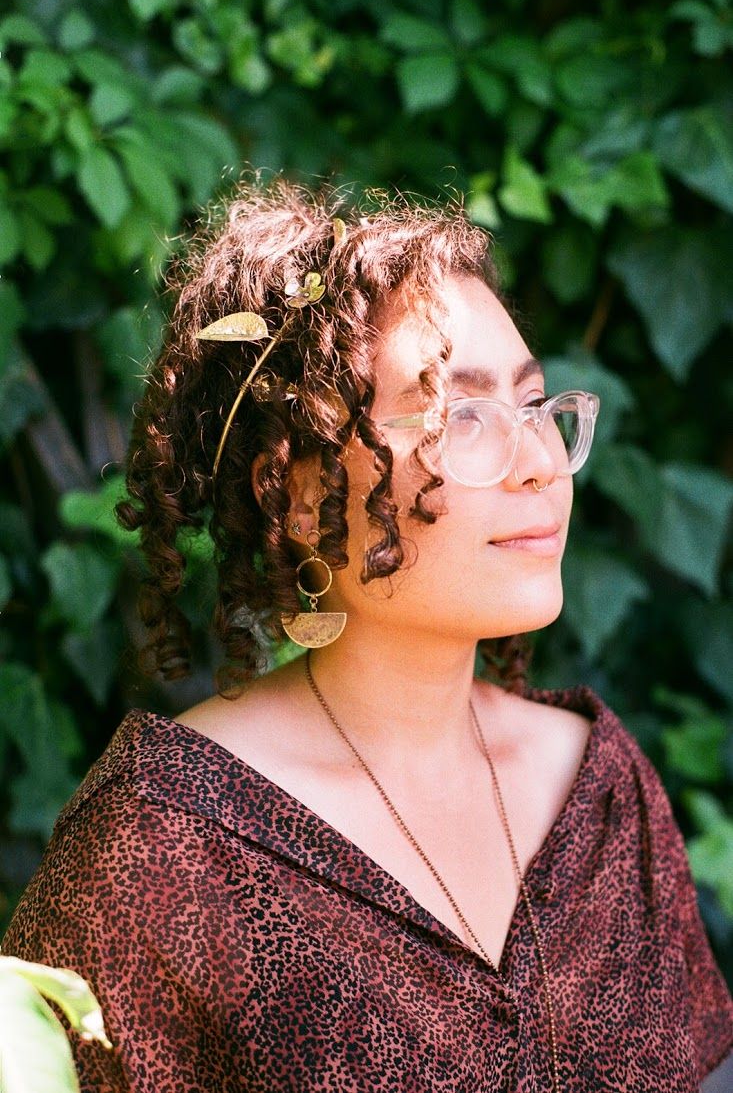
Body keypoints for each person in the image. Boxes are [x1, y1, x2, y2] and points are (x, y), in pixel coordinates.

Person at [3, 181, 731, 1093]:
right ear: (298, 491)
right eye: (463, 416)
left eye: (535, 405)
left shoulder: (602, 790)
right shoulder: (165, 844)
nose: (541, 463)